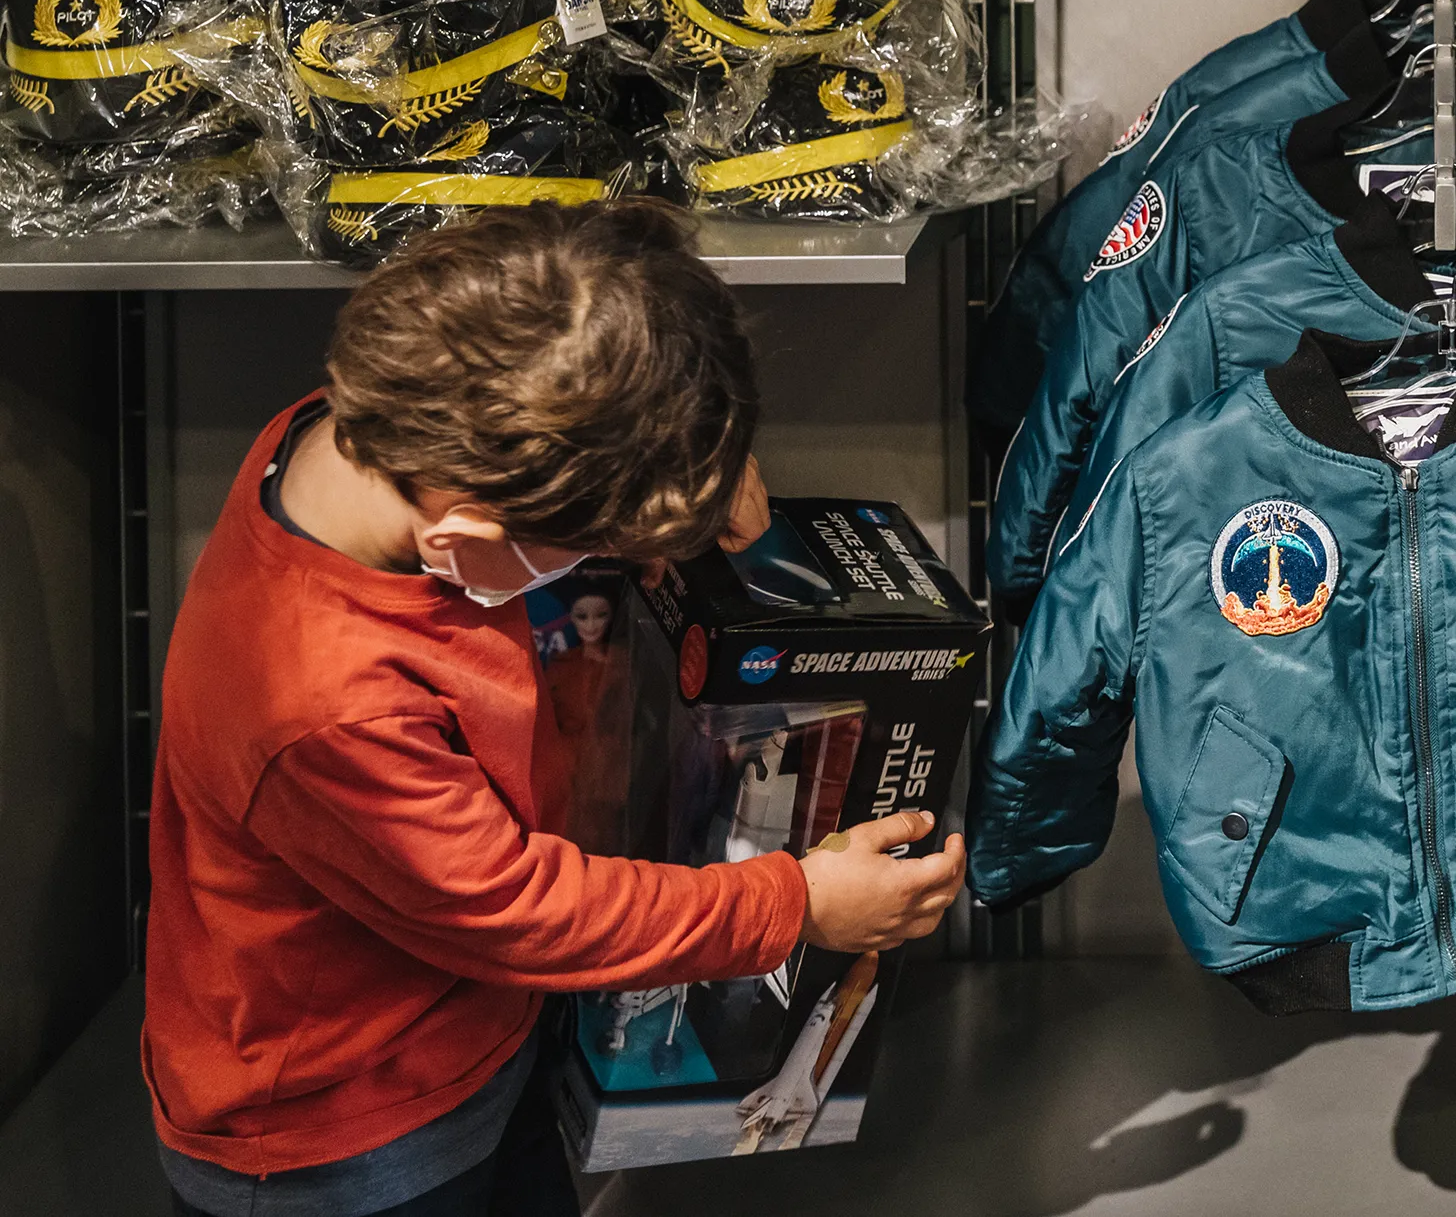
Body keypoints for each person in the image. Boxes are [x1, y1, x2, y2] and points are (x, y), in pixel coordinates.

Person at [143, 198, 966, 1217]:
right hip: (350, 1141)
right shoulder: (322, 698)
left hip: (468, 1042)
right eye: (595, 548)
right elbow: (518, 909)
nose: (619, 564)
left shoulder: (362, 429)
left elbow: (578, 349)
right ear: (465, 531)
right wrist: (793, 904)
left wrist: (681, 484)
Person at [545, 585, 628, 856]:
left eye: (601, 615)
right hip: (568, 765)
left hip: (612, 763)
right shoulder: (562, 664)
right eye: (582, 616)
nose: (591, 624)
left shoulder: (623, 662)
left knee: (608, 839)